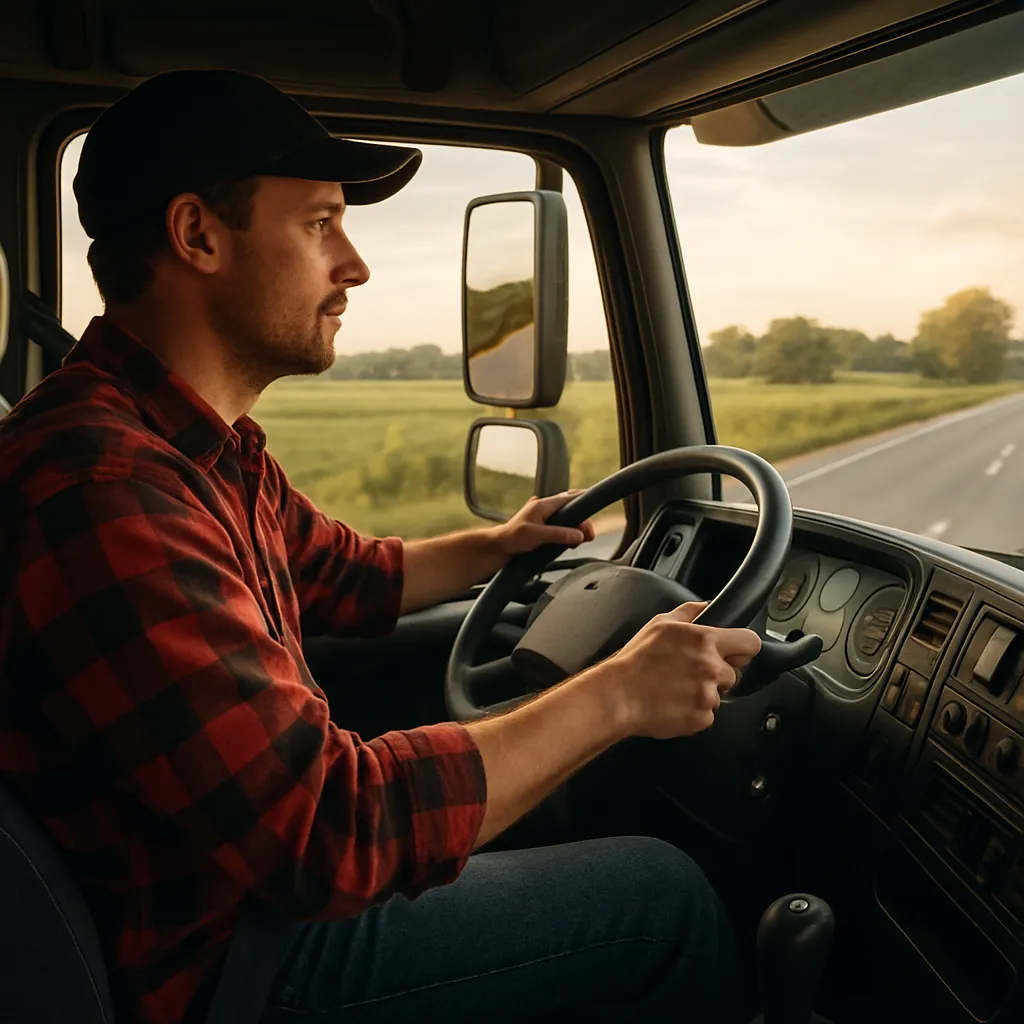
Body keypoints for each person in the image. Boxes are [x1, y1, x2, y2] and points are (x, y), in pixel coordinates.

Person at [0, 70, 761, 1024]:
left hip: (234, 905)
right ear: (197, 235)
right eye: (320, 224)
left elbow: (341, 573)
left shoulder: (188, 442)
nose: (353, 265)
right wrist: (618, 694)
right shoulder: (104, 491)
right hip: (216, 970)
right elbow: (330, 832)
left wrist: (504, 541)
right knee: (663, 900)